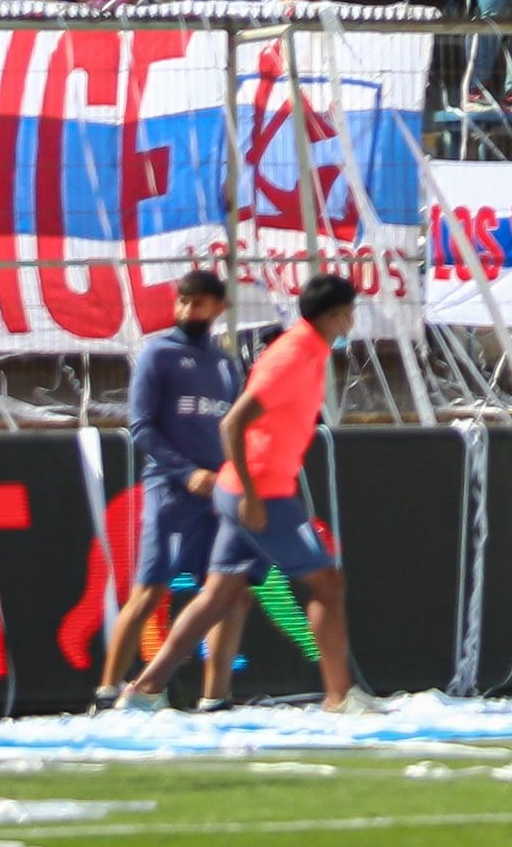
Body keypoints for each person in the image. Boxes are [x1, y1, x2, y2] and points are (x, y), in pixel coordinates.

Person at [161, 270, 364, 714]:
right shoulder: (292, 355)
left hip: (251, 489)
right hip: (261, 495)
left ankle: (142, 689)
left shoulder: (309, 350)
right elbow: (232, 423)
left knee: (218, 597)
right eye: (349, 313)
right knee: (327, 585)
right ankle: (339, 697)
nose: (352, 322)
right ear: (335, 316)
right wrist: (252, 496)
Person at [99, 266, 238, 710]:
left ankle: (215, 696)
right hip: (171, 489)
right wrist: (186, 473)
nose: (187, 309)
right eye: (182, 300)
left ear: (219, 308)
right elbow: (141, 427)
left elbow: (233, 428)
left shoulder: (225, 364)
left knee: (222, 593)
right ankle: (106, 692)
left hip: (218, 493)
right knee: (151, 589)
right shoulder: (157, 353)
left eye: (198, 302)